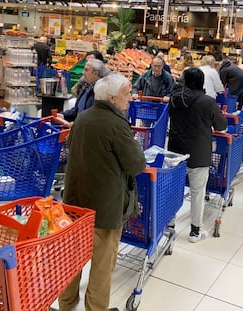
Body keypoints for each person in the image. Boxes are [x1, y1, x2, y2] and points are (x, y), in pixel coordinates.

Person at [57, 74, 146, 311]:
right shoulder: (117, 125)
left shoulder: (83, 119)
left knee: (72, 260)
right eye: (127, 93)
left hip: (75, 205)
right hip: (105, 209)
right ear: (113, 97)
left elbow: (72, 148)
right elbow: (137, 165)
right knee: (102, 265)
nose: (130, 98)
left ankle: (66, 303)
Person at [168, 68, 227, 243]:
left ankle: (169, 224)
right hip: (198, 152)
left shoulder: (174, 99)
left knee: (172, 190)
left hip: (175, 151)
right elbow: (221, 126)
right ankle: (195, 232)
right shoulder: (207, 102)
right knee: (197, 192)